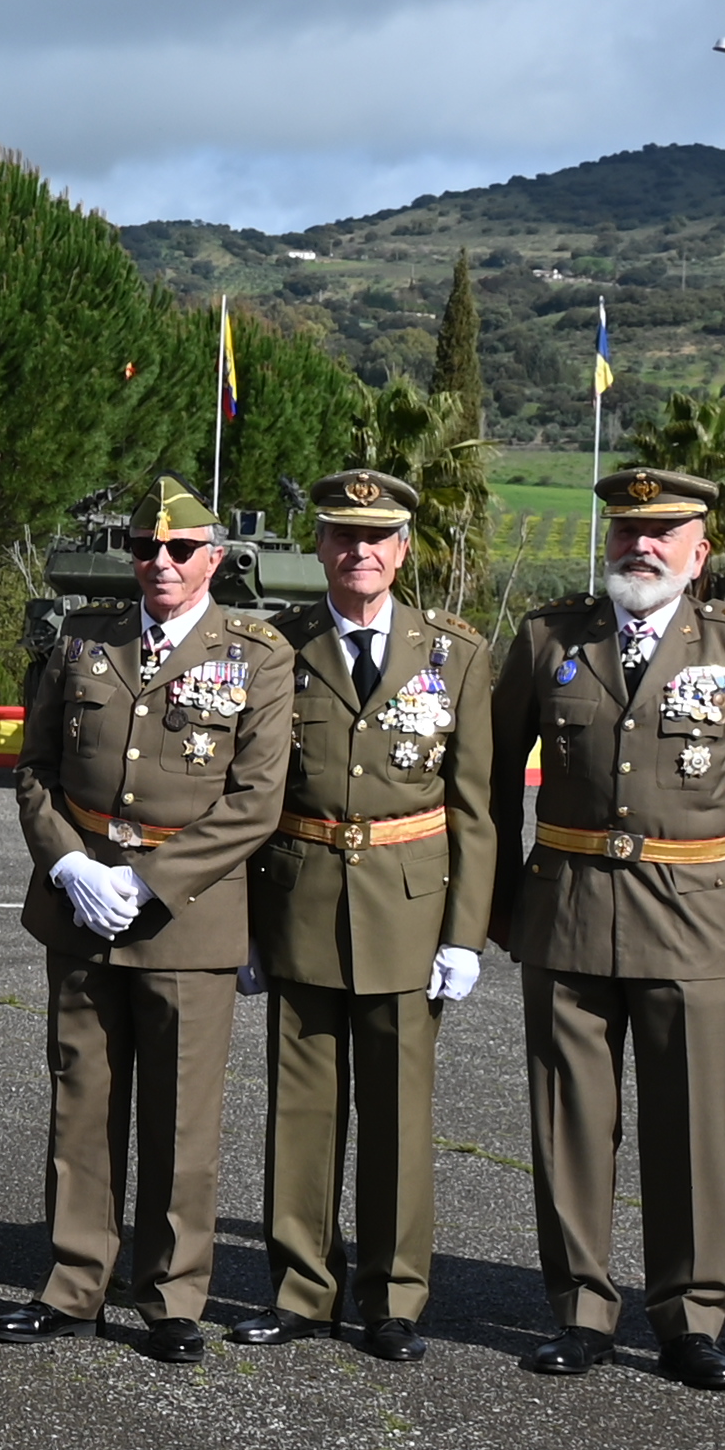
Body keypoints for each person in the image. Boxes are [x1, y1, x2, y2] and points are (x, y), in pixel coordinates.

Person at [484, 464, 725, 1387]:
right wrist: (501, 907)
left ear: (701, 552)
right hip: (569, 909)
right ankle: (581, 1308)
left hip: (693, 916)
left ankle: (690, 1317)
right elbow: (494, 784)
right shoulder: (550, 637)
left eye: (664, 532)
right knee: (569, 1121)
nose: (642, 545)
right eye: (627, 530)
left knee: (689, 1126)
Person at [1, 483, 294, 1358]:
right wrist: (67, 862)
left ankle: (172, 1298)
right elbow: (36, 767)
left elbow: (255, 801)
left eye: (178, 549)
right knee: (81, 1104)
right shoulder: (87, 637)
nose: (157, 563)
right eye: (142, 547)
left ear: (214, 558)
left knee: (179, 1117)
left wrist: (155, 882)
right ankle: (74, 1283)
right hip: (82, 900)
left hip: (187, 918)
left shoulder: (258, 652)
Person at [236, 468, 494, 1359]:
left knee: (396, 1114)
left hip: (408, 906)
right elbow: (249, 794)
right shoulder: (276, 646)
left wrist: (466, 935)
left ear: (403, 550)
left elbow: (477, 810)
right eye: (343, 536)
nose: (360, 551)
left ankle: (394, 1299)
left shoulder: (454, 653)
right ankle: (304, 1290)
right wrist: (246, 930)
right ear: (319, 547)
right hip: (301, 896)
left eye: (377, 536)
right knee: (300, 1112)